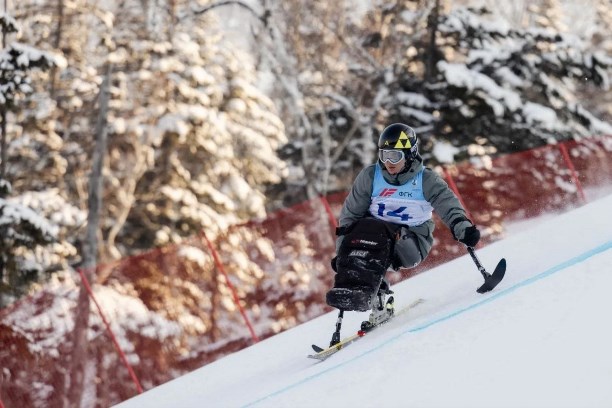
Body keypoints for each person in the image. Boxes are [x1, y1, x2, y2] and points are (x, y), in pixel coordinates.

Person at [328, 123, 480, 311]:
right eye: (384, 155)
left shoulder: (425, 180)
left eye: (395, 156)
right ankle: (355, 293)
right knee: (361, 229)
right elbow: (350, 215)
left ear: (409, 154)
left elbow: (447, 204)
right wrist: (343, 251)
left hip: (410, 245)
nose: (388, 162)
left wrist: (462, 227)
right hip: (374, 241)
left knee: (377, 229)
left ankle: (370, 287)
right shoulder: (370, 177)